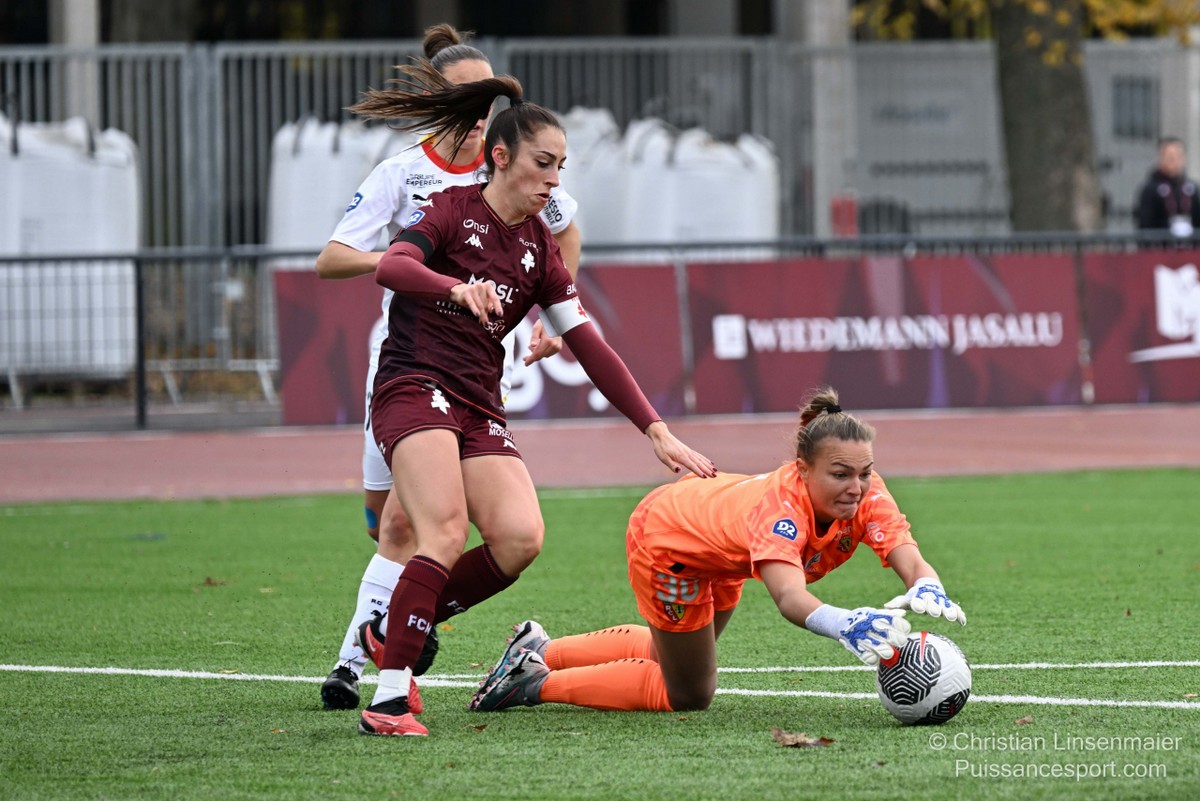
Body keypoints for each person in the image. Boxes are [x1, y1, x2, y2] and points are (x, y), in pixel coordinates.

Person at [348, 64, 717, 737]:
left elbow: (590, 345)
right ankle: (390, 699)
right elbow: (393, 265)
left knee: (520, 538)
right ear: (500, 157)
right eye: (543, 163)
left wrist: (655, 429)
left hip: (478, 401)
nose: (554, 178)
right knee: (443, 531)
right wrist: (453, 287)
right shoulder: (452, 210)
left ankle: (395, 624)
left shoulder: (540, 248)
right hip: (414, 384)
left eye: (561, 166)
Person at [313, 25, 583, 712]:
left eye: (489, 97)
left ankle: (358, 663)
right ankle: (384, 640)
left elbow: (565, 230)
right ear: (437, 99)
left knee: (422, 527)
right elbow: (332, 258)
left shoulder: (513, 164)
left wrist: (555, 316)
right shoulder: (405, 174)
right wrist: (414, 264)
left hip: (471, 372)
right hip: (404, 360)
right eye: (468, 96)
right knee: (389, 526)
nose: (483, 110)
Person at [468, 386, 966, 715]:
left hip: (718, 547)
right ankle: (530, 681)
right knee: (688, 692)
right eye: (840, 474)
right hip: (670, 541)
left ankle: (542, 650)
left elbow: (901, 547)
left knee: (679, 654)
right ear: (802, 469)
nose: (856, 487)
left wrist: (926, 583)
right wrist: (844, 622)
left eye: (864, 472)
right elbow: (790, 597)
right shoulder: (781, 511)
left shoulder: (866, 492)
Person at [1135, 136, 1200, 238]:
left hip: (1189, 245)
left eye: (1177, 156)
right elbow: (1145, 224)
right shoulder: (1150, 189)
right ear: (1161, 158)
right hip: (1161, 245)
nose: (1173, 160)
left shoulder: (1192, 188)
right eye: (1169, 156)